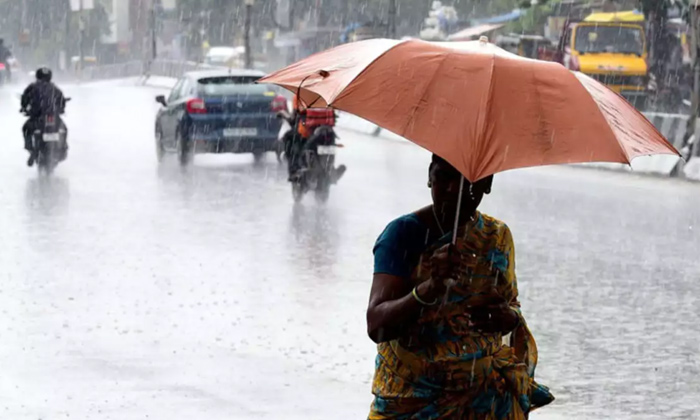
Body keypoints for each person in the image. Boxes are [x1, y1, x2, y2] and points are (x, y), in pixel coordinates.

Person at [366, 154, 554, 419]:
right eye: (444, 176)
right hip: (410, 401)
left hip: (482, 400)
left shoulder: (496, 237)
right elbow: (376, 324)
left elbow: (511, 307)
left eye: (469, 183)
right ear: (429, 176)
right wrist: (430, 288)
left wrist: (507, 318)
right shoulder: (402, 235)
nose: (454, 189)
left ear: (487, 184)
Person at [21, 67, 67, 166]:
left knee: (26, 129)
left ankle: (31, 149)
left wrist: (24, 108)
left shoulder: (32, 87)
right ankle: (63, 148)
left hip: (37, 118)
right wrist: (60, 109)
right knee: (64, 129)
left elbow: (24, 100)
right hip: (53, 118)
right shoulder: (55, 88)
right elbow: (62, 102)